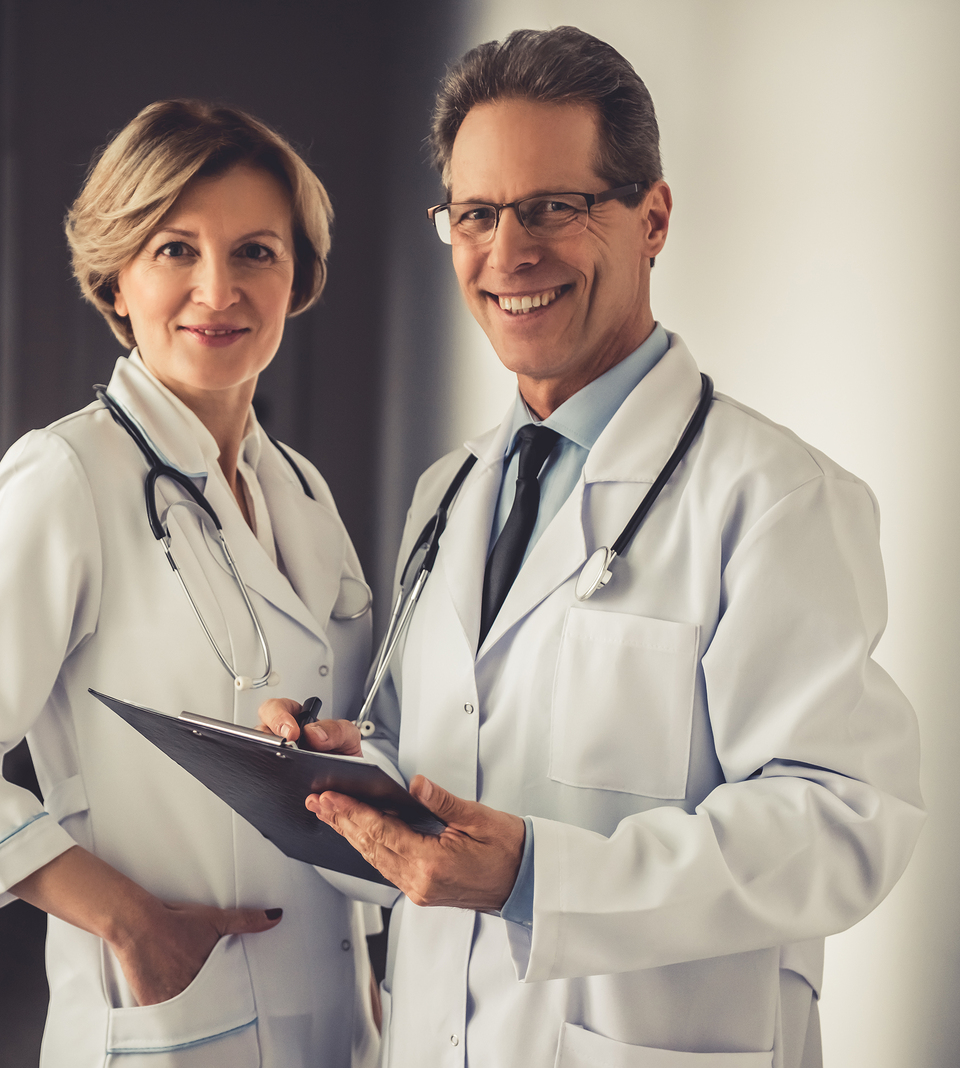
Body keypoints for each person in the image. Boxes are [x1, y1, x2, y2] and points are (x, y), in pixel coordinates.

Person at [260, 26, 924, 1068]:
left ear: (651, 218)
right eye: (475, 214)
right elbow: (444, 755)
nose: (508, 252)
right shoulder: (451, 492)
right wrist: (354, 767)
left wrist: (536, 877)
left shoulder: (772, 497)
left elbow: (844, 824)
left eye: (554, 208)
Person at [0, 100, 380, 1067]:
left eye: (256, 253)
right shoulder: (66, 477)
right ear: (117, 277)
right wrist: (132, 924)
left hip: (333, 1010)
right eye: (174, 250)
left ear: (299, 277)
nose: (217, 289)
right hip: (179, 1021)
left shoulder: (300, 488)